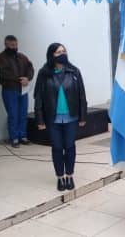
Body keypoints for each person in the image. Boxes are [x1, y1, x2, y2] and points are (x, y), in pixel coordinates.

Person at [34, 43, 87, 192]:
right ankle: (60, 177)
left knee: (70, 147)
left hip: (71, 117)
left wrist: (83, 115)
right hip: (53, 118)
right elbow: (38, 97)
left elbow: (82, 95)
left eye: (64, 51)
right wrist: (39, 119)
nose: (62, 54)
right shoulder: (44, 73)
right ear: (52, 55)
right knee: (57, 148)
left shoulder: (74, 71)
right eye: (58, 52)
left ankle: (69, 175)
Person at [0, 35, 34, 148]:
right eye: (12, 45)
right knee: (13, 114)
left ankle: (22, 136)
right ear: (6, 44)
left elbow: (30, 68)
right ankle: (14, 138)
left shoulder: (22, 56)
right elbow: (4, 73)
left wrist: (27, 78)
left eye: (16, 45)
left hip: (23, 90)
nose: (15, 47)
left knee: (23, 114)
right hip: (9, 90)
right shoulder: (0, 58)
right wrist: (20, 79)